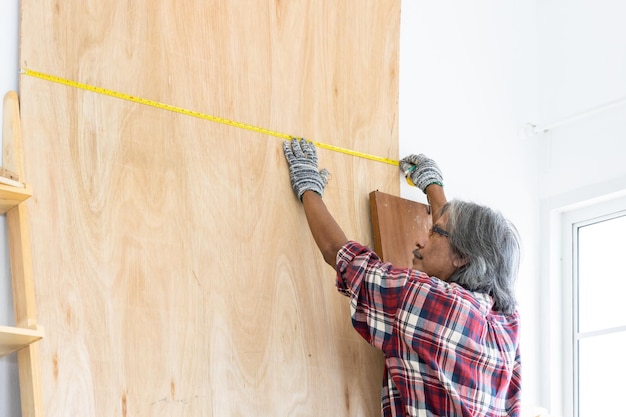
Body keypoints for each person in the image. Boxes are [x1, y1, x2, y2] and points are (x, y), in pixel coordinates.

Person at [283, 138, 522, 417]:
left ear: (462, 257)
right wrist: (434, 187)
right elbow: (455, 243)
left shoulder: (427, 299)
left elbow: (339, 253)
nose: (421, 241)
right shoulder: (506, 323)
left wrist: (308, 188)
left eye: (434, 233)